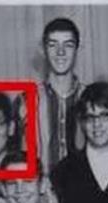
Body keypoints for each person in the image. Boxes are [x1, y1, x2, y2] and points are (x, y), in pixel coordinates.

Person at [16, 17, 86, 173]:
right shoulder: (25, 99)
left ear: (77, 49)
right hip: (40, 186)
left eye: (68, 45)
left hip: (82, 186)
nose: (60, 52)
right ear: (43, 49)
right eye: (53, 45)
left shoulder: (89, 98)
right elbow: (16, 157)